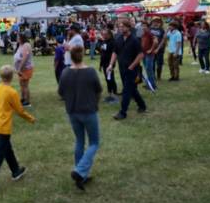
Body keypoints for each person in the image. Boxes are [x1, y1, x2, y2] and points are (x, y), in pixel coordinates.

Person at [0, 65, 35, 194]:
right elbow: (19, 110)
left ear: (1, 76)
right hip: (3, 127)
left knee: (6, 149)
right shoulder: (11, 92)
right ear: (12, 77)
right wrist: (31, 118)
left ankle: (15, 171)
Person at [58, 46, 102, 191]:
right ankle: (80, 171)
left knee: (80, 141)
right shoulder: (90, 72)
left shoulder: (65, 72)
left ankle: (81, 173)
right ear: (82, 55)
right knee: (94, 142)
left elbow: (61, 92)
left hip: (73, 111)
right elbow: (98, 89)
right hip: (88, 111)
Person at [107, 21, 146, 120]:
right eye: (119, 26)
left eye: (123, 26)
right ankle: (142, 105)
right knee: (131, 89)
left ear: (128, 27)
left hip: (132, 69)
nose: (120, 28)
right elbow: (115, 52)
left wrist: (132, 66)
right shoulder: (118, 38)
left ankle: (123, 112)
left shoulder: (134, 40)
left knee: (126, 91)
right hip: (122, 68)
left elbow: (141, 54)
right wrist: (111, 64)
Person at [13, 33, 34, 107]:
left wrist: (19, 68)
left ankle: (27, 101)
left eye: (18, 37)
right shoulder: (20, 45)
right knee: (21, 84)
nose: (17, 39)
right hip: (21, 69)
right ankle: (23, 98)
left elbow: (25, 58)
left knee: (25, 85)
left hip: (25, 68)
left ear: (22, 38)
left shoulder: (26, 45)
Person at [97, 30, 117, 102]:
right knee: (107, 78)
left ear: (110, 35)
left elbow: (113, 53)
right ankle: (110, 93)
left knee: (110, 78)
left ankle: (114, 93)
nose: (104, 36)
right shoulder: (104, 41)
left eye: (105, 34)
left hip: (110, 63)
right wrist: (100, 65)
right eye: (103, 34)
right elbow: (102, 52)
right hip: (104, 63)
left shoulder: (113, 42)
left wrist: (111, 64)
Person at [140, 23, 156, 92]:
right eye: (142, 26)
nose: (143, 27)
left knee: (149, 69)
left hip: (149, 54)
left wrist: (151, 49)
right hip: (143, 54)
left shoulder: (150, 34)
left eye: (144, 26)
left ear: (148, 27)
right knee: (146, 69)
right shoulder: (142, 34)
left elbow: (155, 42)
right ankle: (148, 84)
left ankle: (152, 85)